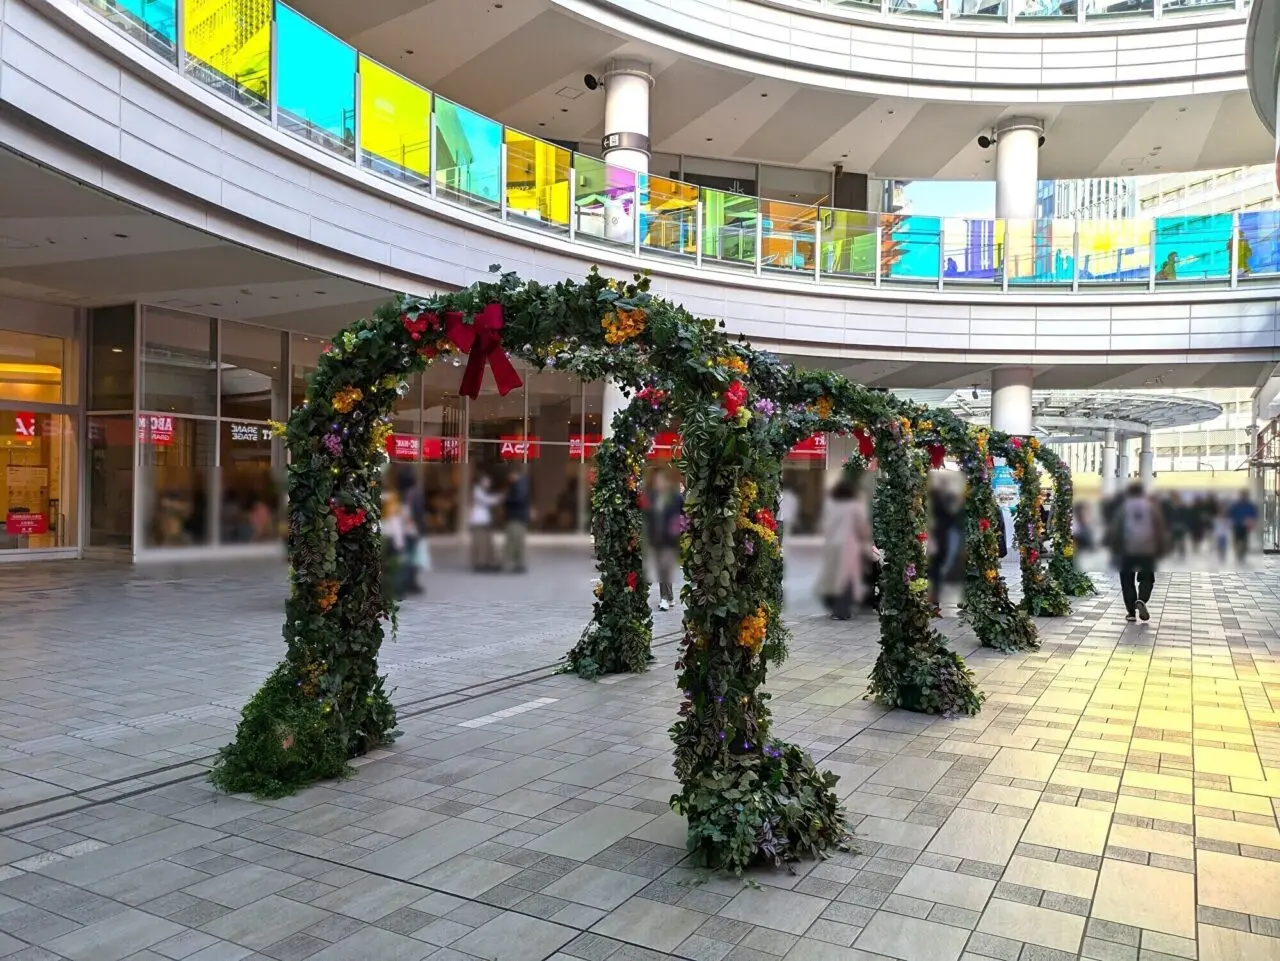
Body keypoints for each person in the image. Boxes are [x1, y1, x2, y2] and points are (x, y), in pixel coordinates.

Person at [1107, 481, 1168, 623]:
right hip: (1147, 549)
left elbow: (1115, 529)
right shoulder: (1151, 508)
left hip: (1126, 549)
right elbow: (1159, 527)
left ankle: (1131, 612)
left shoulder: (1123, 508)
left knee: (1127, 580)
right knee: (1147, 577)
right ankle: (1142, 599)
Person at [816, 477, 875, 620]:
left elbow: (822, 525)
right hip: (849, 546)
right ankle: (842, 610)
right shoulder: (855, 506)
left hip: (831, 545)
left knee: (832, 577)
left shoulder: (829, 505)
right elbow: (862, 527)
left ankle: (833, 606)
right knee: (846, 579)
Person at [645, 469, 684, 611]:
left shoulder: (677, 497)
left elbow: (684, 515)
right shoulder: (653, 497)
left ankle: (665, 598)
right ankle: (670, 597)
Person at [381, 488, 411, 599]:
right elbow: (397, 533)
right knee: (395, 569)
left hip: (384, 543)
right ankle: (396, 591)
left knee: (386, 570)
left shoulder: (383, 517)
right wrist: (400, 546)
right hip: (392, 544)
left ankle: (388, 592)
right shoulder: (393, 518)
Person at [468, 473, 501, 572]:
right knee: (480, 543)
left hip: (484, 521)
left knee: (487, 542)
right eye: (486, 481)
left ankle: (488, 562)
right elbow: (485, 501)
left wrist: (496, 498)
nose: (488, 483)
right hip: (478, 521)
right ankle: (479, 564)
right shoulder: (477, 491)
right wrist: (498, 498)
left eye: (489, 481)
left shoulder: (483, 491)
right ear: (481, 481)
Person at [503, 468, 531, 573]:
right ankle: (516, 563)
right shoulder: (518, 485)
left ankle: (518, 564)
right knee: (514, 541)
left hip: (517, 518)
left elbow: (518, 499)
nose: (509, 478)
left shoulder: (520, 485)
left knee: (516, 541)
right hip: (516, 517)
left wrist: (507, 498)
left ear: (514, 474)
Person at [1226, 490, 1258, 563]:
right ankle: (1238, 553)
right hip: (1237, 525)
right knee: (1237, 540)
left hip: (1245, 526)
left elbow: (1254, 515)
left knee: (1244, 540)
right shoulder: (1236, 505)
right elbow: (1230, 513)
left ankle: (1242, 554)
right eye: (1242, 495)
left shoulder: (1250, 505)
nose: (1243, 497)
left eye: (1245, 495)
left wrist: (1252, 521)